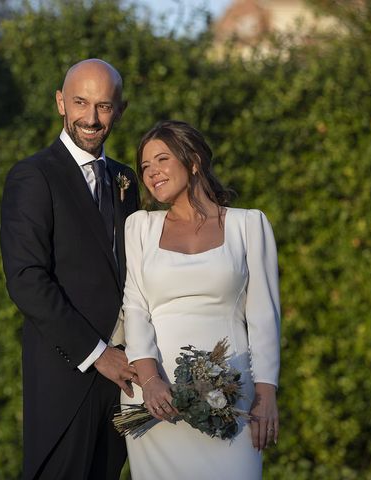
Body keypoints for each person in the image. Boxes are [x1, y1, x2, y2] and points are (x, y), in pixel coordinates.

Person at [0, 59, 140, 479]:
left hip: (123, 384)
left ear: (120, 109)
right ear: (61, 102)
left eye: (104, 106)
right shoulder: (33, 175)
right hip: (66, 378)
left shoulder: (126, 180)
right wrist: (99, 356)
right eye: (80, 102)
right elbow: (26, 279)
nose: (91, 118)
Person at [120, 120, 281, 479]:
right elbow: (135, 306)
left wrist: (266, 393)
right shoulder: (140, 227)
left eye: (162, 160)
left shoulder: (248, 225)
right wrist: (149, 382)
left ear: (193, 160)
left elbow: (264, 314)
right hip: (156, 399)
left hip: (232, 396)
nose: (151, 173)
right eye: (145, 167)